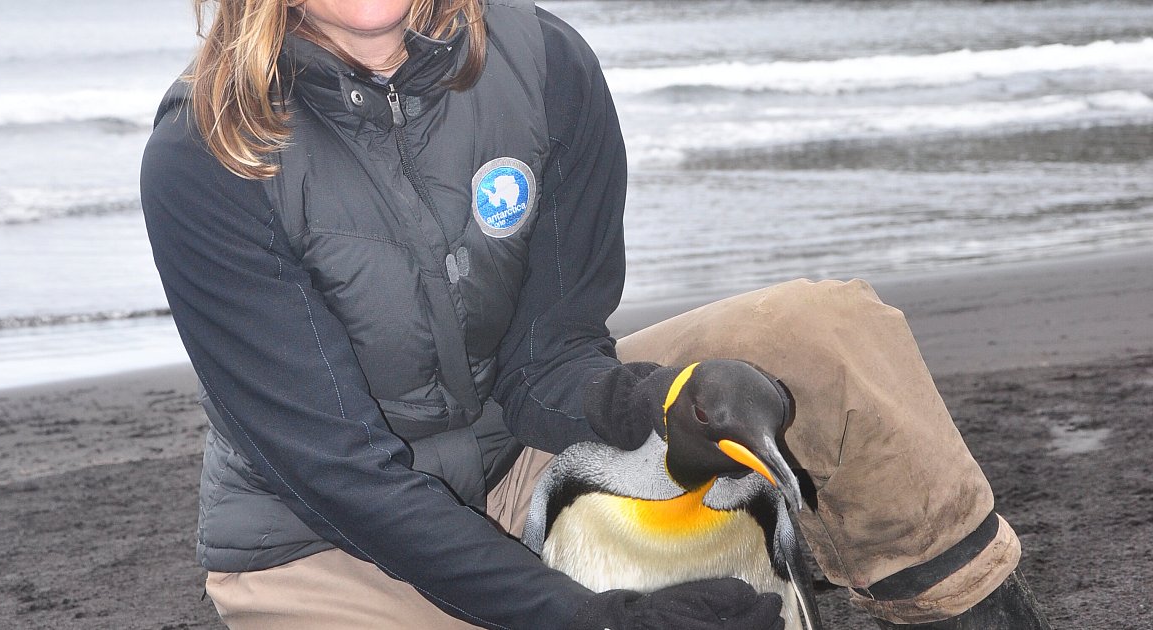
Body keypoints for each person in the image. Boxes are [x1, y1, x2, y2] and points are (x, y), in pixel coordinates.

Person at [139, 0, 1050, 628]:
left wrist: (664, 400)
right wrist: (593, 620)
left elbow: (550, 359)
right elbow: (338, 470)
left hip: (510, 449)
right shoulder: (208, 148)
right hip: (321, 540)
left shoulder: (542, 61)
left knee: (822, 338)